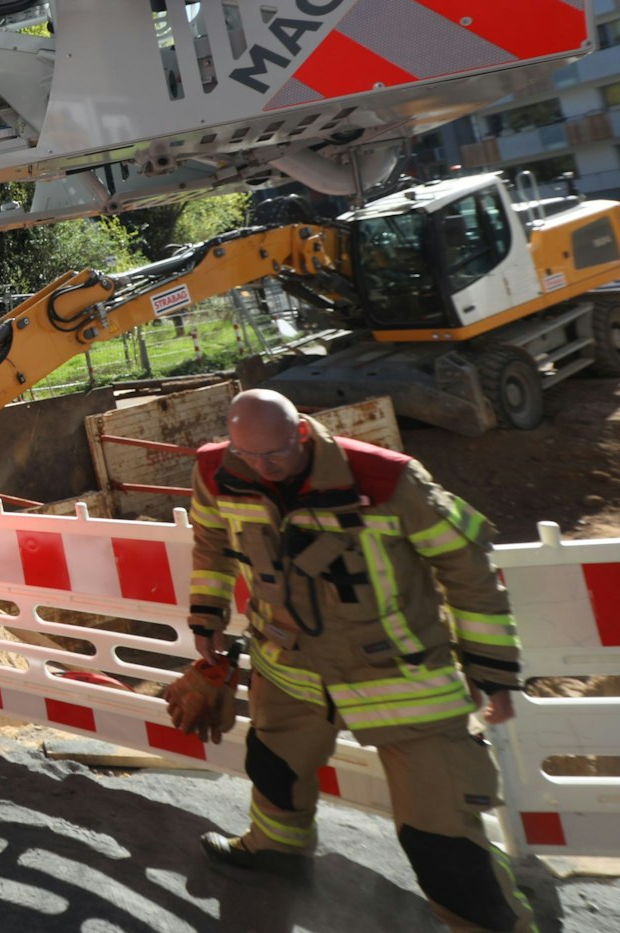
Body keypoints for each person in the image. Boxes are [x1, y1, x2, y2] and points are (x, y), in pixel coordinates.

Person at [186, 389, 534, 932]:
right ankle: (275, 850)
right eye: (248, 456)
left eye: (274, 455)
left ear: (302, 432)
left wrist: (492, 670)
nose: (262, 469)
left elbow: (468, 568)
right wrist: (207, 615)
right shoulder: (216, 471)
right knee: (274, 766)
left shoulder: (387, 480)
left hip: (403, 678)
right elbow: (211, 541)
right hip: (287, 667)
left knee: (442, 836)